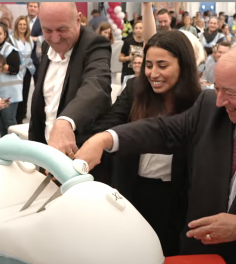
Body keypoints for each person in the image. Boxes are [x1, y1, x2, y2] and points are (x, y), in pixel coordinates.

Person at [76, 42, 236, 264]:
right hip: (198, 253)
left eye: (230, 92)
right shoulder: (210, 105)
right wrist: (105, 139)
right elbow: (162, 131)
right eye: (218, 88)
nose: (221, 101)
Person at [80, 30, 201, 256]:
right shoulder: (136, 90)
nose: (153, 73)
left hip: (175, 199)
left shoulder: (198, 102)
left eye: (162, 66)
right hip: (129, 191)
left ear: (183, 65)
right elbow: (107, 125)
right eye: (148, 65)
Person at [29, 2, 111, 156]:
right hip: (46, 153)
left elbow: (97, 86)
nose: (55, 38)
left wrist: (66, 121)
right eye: (47, 30)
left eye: (62, 29)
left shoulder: (95, 44)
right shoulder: (48, 46)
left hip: (81, 156)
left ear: (78, 19)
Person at [10, 16, 36, 124]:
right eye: (20, 24)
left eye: (24, 25)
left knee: (25, 93)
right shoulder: (12, 39)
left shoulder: (30, 40)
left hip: (27, 70)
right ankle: (15, 117)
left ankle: (21, 116)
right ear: (16, 26)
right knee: (16, 94)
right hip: (16, 71)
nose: (22, 26)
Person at [27, 2, 42, 87]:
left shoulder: (42, 22)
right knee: (23, 88)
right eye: (30, 6)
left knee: (38, 86)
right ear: (27, 7)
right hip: (23, 60)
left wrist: (32, 38)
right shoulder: (22, 21)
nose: (32, 8)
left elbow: (45, 38)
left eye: (35, 7)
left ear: (38, 9)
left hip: (37, 58)